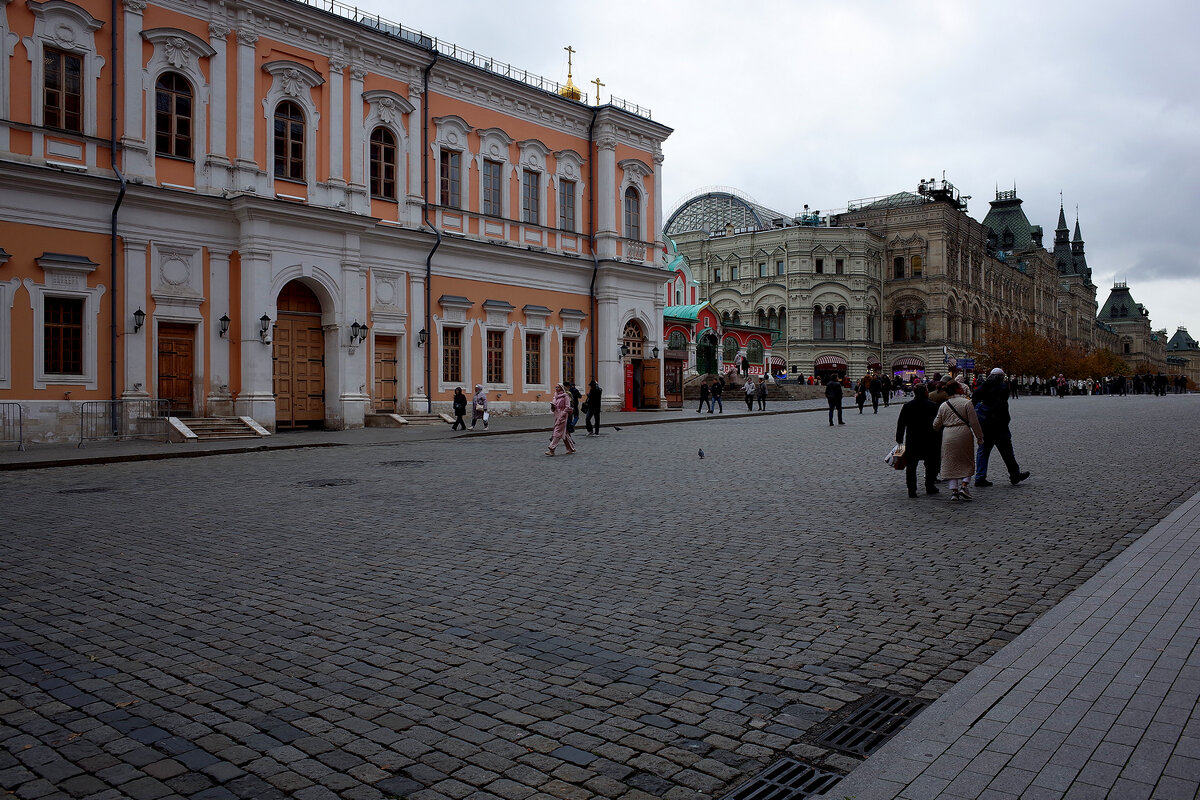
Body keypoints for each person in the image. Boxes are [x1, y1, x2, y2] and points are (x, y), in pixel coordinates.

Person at [973, 367, 1030, 488]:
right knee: (1007, 451)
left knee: (983, 451)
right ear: (1001, 377)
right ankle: (1014, 474)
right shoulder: (1003, 388)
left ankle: (980, 477)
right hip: (1000, 426)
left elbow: (973, 402)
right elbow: (1002, 405)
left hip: (985, 425)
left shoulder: (982, 387)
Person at [933, 379, 983, 501]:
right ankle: (964, 486)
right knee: (967, 461)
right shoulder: (967, 403)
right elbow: (974, 422)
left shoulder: (944, 405)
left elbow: (936, 425)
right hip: (964, 433)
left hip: (948, 435)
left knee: (950, 462)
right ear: (957, 389)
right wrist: (979, 437)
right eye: (960, 386)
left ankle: (954, 491)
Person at [896, 383, 941, 497]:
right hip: (929, 439)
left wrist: (899, 439)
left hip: (913, 439)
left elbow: (901, 424)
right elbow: (938, 423)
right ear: (925, 392)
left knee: (911, 465)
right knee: (931, 464)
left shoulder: (908, 406)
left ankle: (911, 489)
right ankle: (929, 486)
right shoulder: (933, 406)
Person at [545, 383, 576, 456]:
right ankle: (571, 448)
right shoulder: (555, 396)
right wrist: (553, 407)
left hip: (563, 416)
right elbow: (555, 407)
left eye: (558, 387)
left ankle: (551, 449)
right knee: (564, 433)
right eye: (556, 387)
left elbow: (567, 407)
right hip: (557, 415)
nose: (556, 388)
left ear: (562, 388)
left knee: (557, 431)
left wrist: (562, 414)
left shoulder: (566, 396)